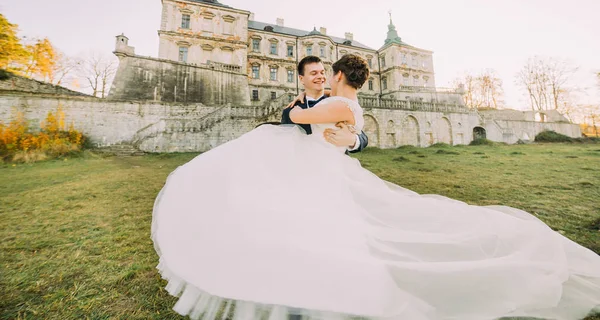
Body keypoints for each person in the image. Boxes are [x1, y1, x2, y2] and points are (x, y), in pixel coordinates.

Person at [152, 54, 600, 320]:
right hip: (317, 173)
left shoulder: (336, 102)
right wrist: (349, 136)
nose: (322, 76)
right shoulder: (347, 102)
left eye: (327, 72)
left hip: (319, 176)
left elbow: (297, 119)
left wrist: (301, 114)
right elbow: (338, 130)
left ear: (339, 77)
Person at [280, 55, 368, 153]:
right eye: (314, 73)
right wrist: (303, 94)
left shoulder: (339, 103)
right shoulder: (288, 110)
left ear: (338, 75)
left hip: (334, 163)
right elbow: (286, 144)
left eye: (322, 72)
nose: (320, 76)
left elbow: (362, 135)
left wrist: (354, 140)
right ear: (301, 79)